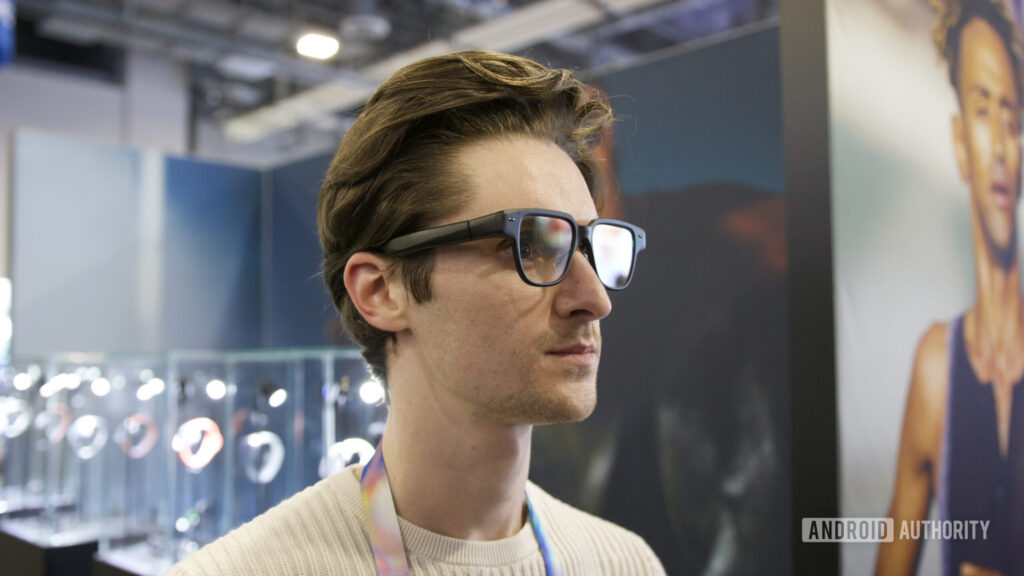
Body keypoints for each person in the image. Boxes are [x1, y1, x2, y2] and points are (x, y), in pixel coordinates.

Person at [166, 50, 665, 576]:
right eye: (529, 245)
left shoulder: (623, 564)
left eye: (589, 246)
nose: (595, 299)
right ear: (381, 291)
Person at [876, 1, 1024, 575]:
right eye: (983, 111)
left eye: (1012, 117)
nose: (1001, 146)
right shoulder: (938, 366)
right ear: (961, 143)